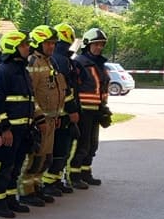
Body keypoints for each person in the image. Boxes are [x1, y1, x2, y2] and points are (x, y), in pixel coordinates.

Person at [0, 31, 34, 218]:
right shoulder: (3, 71)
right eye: (23, 45)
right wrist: (4, 128)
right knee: (2, 166)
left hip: (23, 129)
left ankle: (9, 199)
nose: (27, 48)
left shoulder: (22, 70)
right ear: (13, 48)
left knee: (15, 166)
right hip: (10, 130)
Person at [20, 25, 66, 206]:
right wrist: (38, 118)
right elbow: (31, 94)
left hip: (51, 118)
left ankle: (37, 187)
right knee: (34, 158)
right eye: (48, 43)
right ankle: (26, 192)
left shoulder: (49, 62)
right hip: (40, 120)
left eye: (53, 44)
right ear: (38, 43)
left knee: (45, 157)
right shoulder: (33, 63)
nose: (52, 47)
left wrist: (59, 114)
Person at [69, 27, 112, 187]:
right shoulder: (79, 63)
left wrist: (104, 109)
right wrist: (75, 109)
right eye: (96, 44)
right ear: (87, 45)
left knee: (93, 144)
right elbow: (74, 88)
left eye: (101, 44)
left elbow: (101, 89)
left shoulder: (100, 65)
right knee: (82, 144)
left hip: (96, 110)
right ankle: (74, 176)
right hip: (83, 111)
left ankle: (86, 172)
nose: (99, 47)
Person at [43, 22, 82, 194]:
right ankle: (50, 182)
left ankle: (55, 180)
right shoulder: (62, 61)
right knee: (60, 148)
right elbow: (64, 89)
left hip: (60, 113)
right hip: (63, 113)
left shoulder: (59, 59)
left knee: (61, 148)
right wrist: (72, 109)